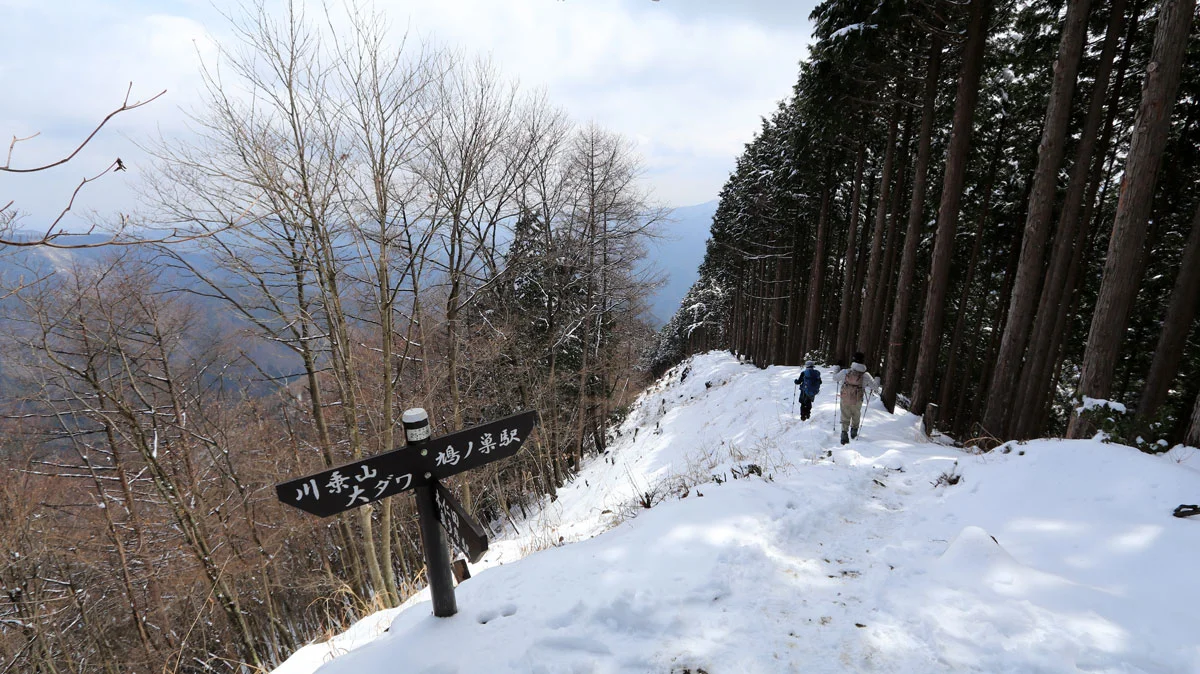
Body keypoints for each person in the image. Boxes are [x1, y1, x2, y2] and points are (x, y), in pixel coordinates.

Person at [832, 355, 880, 444]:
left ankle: (844, 434)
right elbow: (875, 387)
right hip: (858, 399)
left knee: (845, 415)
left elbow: (835, 378)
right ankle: (854, 432)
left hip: (845, 397)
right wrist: (877, 377)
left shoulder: (845, 372)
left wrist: (837, 367)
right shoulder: (866, 375)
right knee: (856, 414)